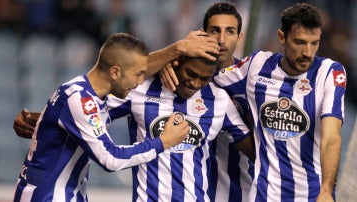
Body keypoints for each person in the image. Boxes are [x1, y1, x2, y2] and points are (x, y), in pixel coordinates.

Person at [164, 2, 346, 202]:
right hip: (264, 195)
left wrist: (327, 190)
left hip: (314, 196)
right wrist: (170, 62)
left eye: (314, 43)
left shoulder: (330, 72)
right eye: (300, 42)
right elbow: (209, 75)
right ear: (282, 37)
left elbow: (331, 136)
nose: (308, 53)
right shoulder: (257, 66)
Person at [13, 32, 191, 201]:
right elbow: (110, 159)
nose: (139, 82)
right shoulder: (81, 100)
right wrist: (163, 142)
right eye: (138, 74)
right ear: (115, 72)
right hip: (49, 196)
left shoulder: (88, 94)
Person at [106, 52, 254, 201]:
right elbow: (94, 108)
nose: (195, 83)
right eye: (191, 73)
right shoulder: (141, 90)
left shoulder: (219, 100)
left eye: (205, 79)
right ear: (177, 63)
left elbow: (257, 151)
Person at [160, 2, 255, 202]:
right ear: (202, 34)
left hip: (242, 189)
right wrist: (162, 63)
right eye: (215, 31)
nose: (221, 40)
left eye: (230, 32)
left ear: (240, 37)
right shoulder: (179, 72)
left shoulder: (251, 80)